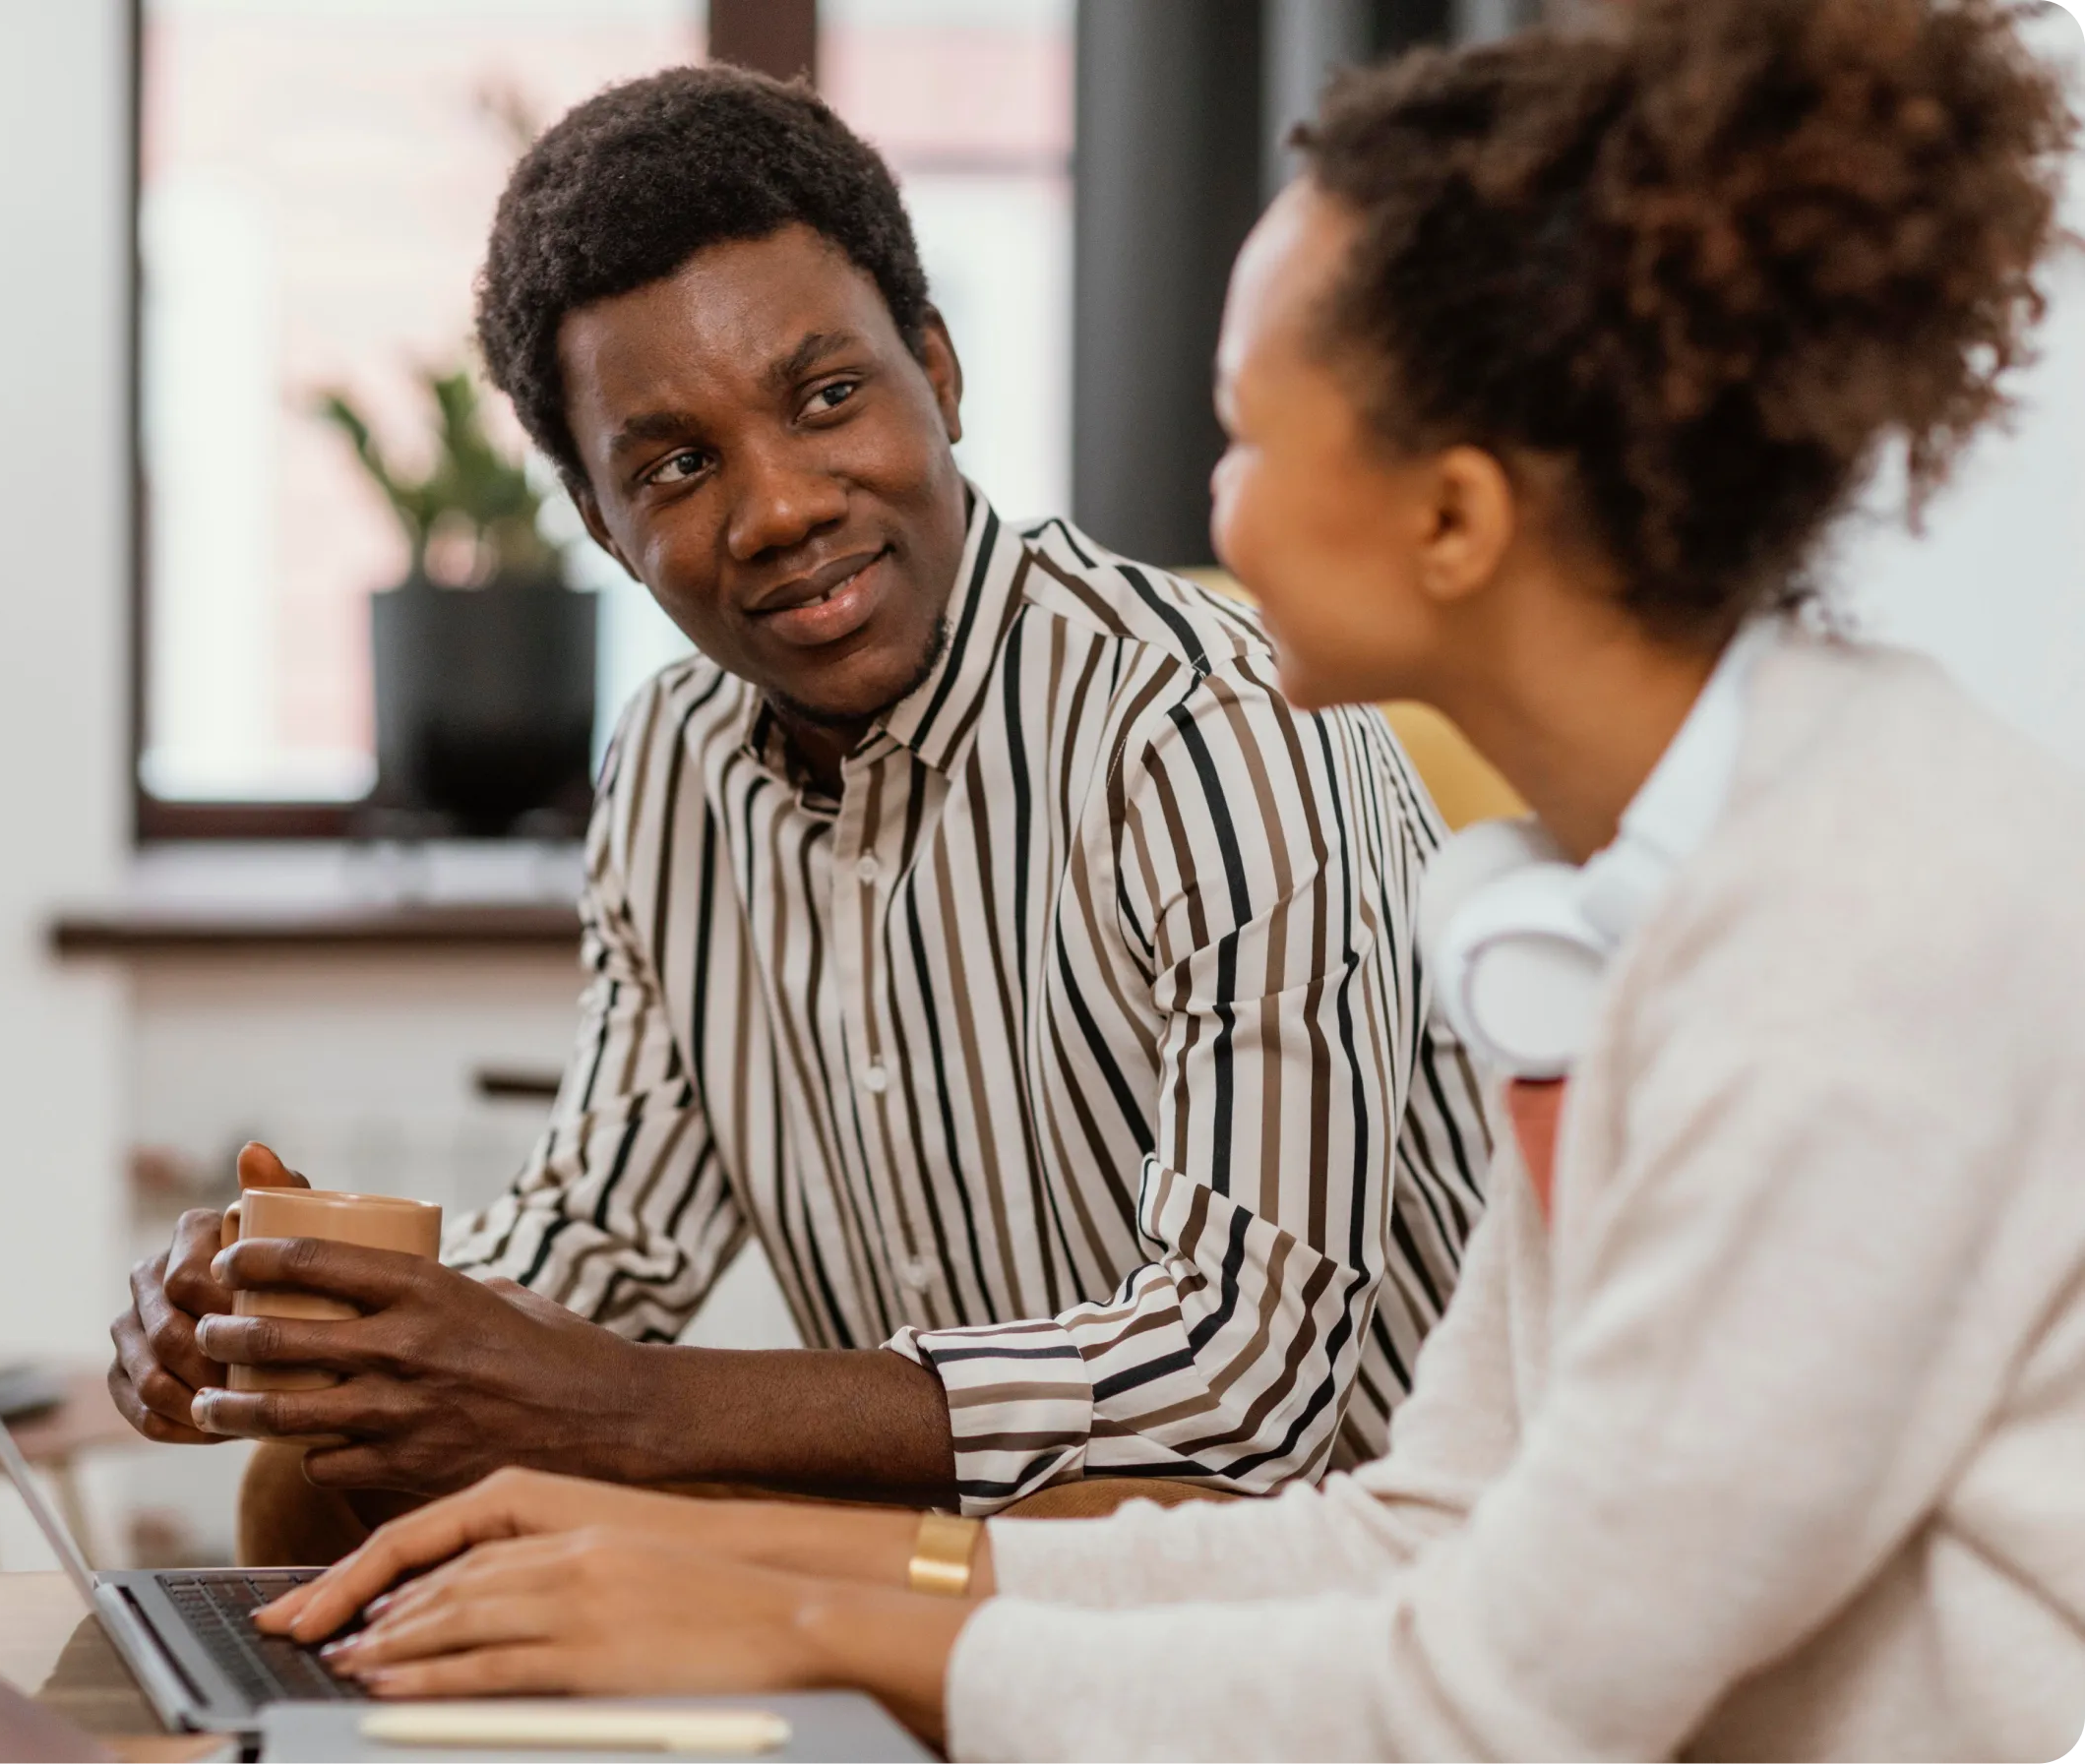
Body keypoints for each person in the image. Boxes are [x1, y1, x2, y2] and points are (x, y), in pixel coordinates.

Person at [247, 2, 2085, 1759]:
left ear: (1450, 516)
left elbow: (1481, 1703)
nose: (1210, 517)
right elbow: (1415, 1539)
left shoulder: (1862, 930)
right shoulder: (1582, 901)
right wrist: (721, 1562)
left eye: (1249, 436)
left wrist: (805, 1616)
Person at [108, 65, 1495, 1540]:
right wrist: (339, 1323)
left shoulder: (1214, 728)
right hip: (966, 1598)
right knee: (325, 1516)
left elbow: (1243, 1388)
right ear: (601, 522)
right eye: (678, 465)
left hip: (1351, 1615)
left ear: (940, 375)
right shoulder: (673, 763)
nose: (777, 510)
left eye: (826, 398)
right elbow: (608, 1245)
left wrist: (636, 1413)